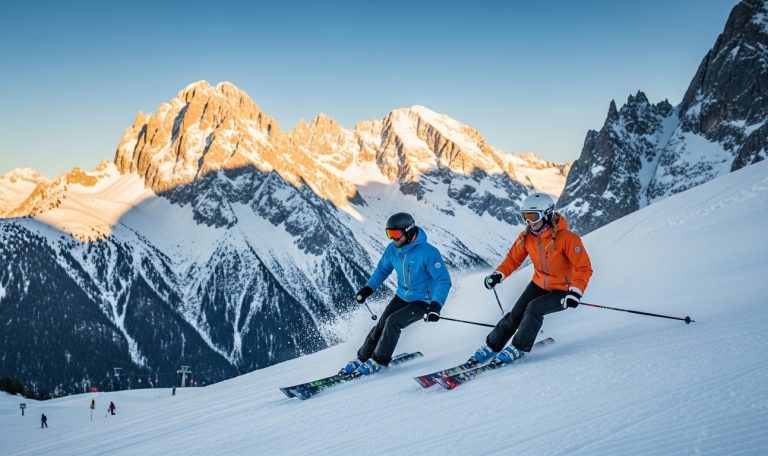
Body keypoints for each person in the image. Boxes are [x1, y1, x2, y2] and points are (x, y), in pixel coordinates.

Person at [469, 193, 593, 366]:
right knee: (516, 314)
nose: (529, 222)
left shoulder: (568, 238)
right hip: (539, 283)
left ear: (547, 214)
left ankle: (519, 346)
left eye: (533, 216)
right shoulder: (527, 236)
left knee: (534, 308)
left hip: (564, 290)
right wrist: (499, 274)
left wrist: (576, 292)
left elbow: (584, 267)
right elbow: (513, 259)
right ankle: (492, 345)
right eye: (525, 216)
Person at [340, 212, 452, 376]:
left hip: (424, 301)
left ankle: (379, 360)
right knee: (382, 323)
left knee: (393, 322)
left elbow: (443, 281)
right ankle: (363, 358)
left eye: (396, 234)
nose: (393, 238)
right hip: (402, 296)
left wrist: (436, 305)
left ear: (409, 231)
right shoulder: (393, 249)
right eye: (389, 234)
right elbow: (382, 269)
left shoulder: (428, 252)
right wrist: (368, 289)